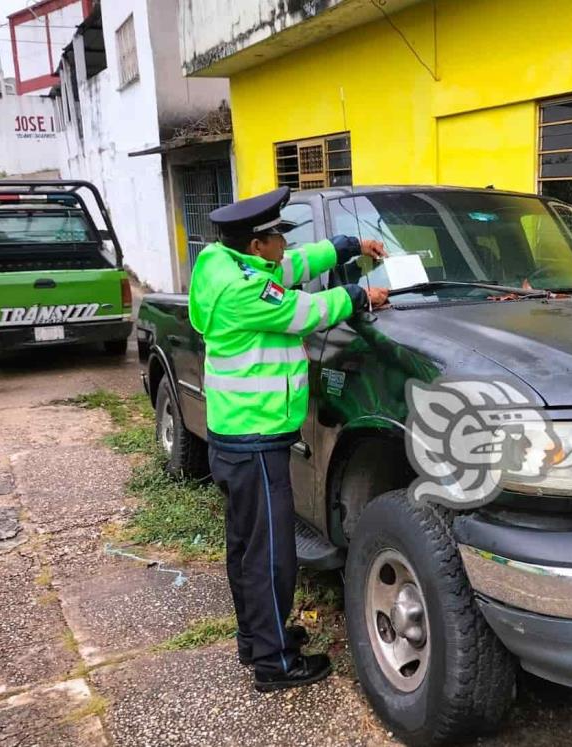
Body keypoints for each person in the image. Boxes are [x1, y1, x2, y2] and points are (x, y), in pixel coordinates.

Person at [188, 186, 389, 692]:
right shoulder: (245, 292)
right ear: (256, 246)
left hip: (237, 434)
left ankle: (257, 639)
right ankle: (275, 664)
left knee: (246, 547)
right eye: (277, 236)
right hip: (255, 438)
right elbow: (304, 311)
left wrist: (345, 246)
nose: (284, 243)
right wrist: (359, 295)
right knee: (271, 554)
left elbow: (293, 267)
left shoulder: (228, 266)